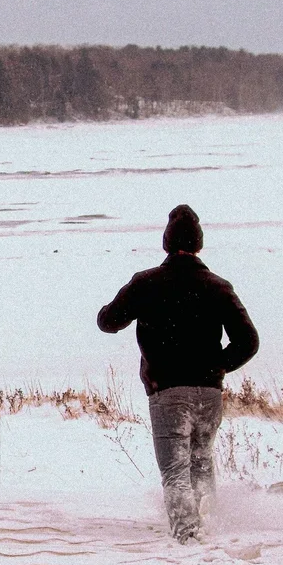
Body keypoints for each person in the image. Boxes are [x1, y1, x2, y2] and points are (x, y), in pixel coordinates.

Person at [97, 204, 259, 543]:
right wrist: (218, 366)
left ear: (167, 244)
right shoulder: (218, 286)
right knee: (201, 460)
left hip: (168, 391)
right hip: (209, 391)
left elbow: (108, 322)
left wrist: (115, 309)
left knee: (175, 471)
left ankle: (188, 538)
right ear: (199, 245)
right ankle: (210, 526)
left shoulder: (147, 283)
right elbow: (248, 341)